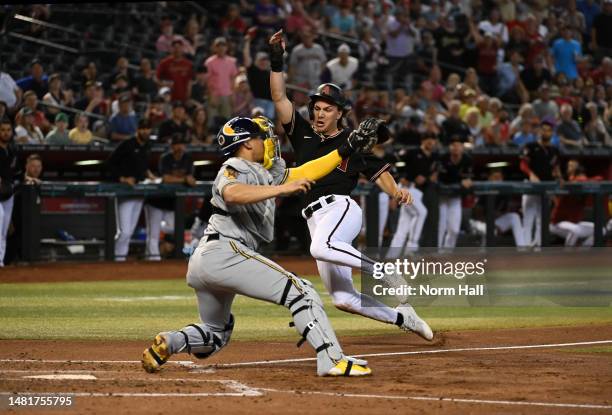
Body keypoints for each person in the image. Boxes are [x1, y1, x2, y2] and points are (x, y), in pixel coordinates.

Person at [141, 115, 379, 377]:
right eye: (259, 137)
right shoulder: (235, 165)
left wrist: (347, 148)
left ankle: (170, 342)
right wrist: (280, 191)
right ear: (246, 143)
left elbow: (307, 171)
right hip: (225, 252)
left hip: (207, 259)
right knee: (302, 292)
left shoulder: (260, 172)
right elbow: (231, 192)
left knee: (215, 332)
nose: (265, 141)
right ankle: (331, 359)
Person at [269, 30, 433, 340]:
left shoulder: (351, 140)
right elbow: (279, 97)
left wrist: (395, 191)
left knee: (320, 246)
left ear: (341, 113)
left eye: (327, 108)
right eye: (317, 107)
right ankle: (404, 318)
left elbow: (378, 171)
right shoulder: (302, 132)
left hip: (340, 209)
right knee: (343, 299)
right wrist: (277, 59)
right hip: (314, 220)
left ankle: (388, 274)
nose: (319, 113)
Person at [106, 119, 157, 261]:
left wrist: (149, 174)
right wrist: (122, 178)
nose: (146, 131)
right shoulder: (127, 144)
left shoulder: (147, 146)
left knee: (129, 231)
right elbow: (110, 164)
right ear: (138, 130)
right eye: (143, 128)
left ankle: (120, 259)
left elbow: (142, 165)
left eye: (148, 129)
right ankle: (114, 259)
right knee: (124, 231)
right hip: (125, 192)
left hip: (139, 192)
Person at [144, 134, 196, 261]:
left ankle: (169, 255)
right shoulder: (165, 158)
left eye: (181, 144)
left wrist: (184, 180)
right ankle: (153, 260)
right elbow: (166, 179)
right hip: (156, 201)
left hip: (172, 203)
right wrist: (184, 179)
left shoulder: (188, 159)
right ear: (171, 146)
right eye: (176, 144)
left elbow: (192, 181)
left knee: (174, 229)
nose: (178, 147)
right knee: (153, 234)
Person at [389, 132, 437, 254]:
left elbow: (430, 175)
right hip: (406, 187)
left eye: (432, 139)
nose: (430, 142)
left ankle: (392, 256)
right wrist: (401, 177)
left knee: (404, 224)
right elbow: (396, 161)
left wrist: (427, 178)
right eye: (428, 139)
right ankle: (412, 247)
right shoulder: (413, 152)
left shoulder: (433, 157)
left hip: (417, 191)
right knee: (422, 212)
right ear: (423, 141)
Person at [520, 119, 561, 247]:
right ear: (539, 131)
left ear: (552, 133)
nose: (546, 132)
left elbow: (556, 167)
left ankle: (538, 246)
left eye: (549, 130)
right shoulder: (531, 146)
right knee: (528, 217)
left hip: (546, 187)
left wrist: (559, 176)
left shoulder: (554, 150)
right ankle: (525, 247)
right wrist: (531, 174)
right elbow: (523, 164)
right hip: (531, 186)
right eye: (544, 129)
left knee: (542, 219)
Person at [469, 167, 526, 247]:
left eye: (500, 177)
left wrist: (499, 222)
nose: (498, 180)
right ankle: (484, 252)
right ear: (489, 178)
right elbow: (477, 214)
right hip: (479, 223)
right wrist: (490, 223)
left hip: (494, 222)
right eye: (495, 177)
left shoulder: (504, 192)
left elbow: (505, 211)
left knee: (514, 217)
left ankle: (522, 248)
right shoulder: (483, 190)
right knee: (488, 230)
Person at [437, 137, 473, 248]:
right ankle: (436, 250)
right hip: (442, 197)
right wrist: (459, 180)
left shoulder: (467, 159)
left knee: (454, 229)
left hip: (455, 197)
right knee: (441, 226)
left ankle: (448, 250)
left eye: (459, 145)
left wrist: (467, 180)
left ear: (462, 147)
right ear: (450, 147)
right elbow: (441, 178)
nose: (456, 147)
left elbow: (468, 179)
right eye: (454, 145)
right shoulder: (443, 158)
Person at [204, 37, 239, 125]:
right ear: (214, 48)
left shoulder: (231, 61)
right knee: (212, 121)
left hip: (226, 95)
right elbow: (207, 80)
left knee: (226, 121)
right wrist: (211, 95)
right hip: (214, 95)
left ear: (226, 47)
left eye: (223, 45)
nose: (221, 48)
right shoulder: (209, 62)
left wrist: (233, 94)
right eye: (218, 46)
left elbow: (233, 79)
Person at [243, 33, 275, 119]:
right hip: (257, 101)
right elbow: (246, 57)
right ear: (257, 60)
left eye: (266, 60)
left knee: (269, 125)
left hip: (271, 103)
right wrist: (247, 42)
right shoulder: (253, 70)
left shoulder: (271, 73)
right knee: (258, 123)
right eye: (262, 60)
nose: (264, 62)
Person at [0, 118, 17, 267]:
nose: (6, 133)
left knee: (4, 228)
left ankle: (1, 261)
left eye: (8, 130)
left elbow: (15, 171)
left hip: (8, 191)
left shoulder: (12, 149)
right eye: (3, 130)